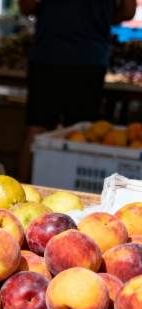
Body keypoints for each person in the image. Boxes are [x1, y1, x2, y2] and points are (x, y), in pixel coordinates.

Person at [17, 0, 137, 181]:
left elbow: (26, 5)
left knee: (37, 127)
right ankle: (73, 196)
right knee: (83, 135)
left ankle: (20, 194)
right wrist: (97, 17)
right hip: (89, 57)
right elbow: (128, 11)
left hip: (49, 54)